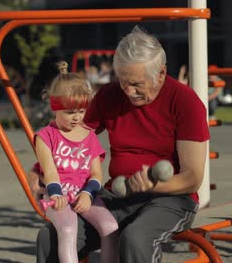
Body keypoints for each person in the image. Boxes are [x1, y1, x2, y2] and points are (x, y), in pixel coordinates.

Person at [31, 26, 210, 263]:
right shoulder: (110, 95)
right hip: (119, 194)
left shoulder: (185, 102)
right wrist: (37, 171)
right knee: (49, 238)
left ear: (161, 73)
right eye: (123, 82)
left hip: (172, 199)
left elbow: (192, 178)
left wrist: (154, 186)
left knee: (134, 238)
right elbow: (72, 136)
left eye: (136, 84)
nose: (128, 91)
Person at [31, 61, 118, 263]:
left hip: (84, 193)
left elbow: (96, 173)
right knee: (68, 228)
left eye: (81, 111)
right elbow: (50, 172)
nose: (76, 118)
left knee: (110, 227)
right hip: (58, 195)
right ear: (55, 107)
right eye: (70, 112)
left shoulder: (89, 135)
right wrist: (56, 193)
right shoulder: (45, 137)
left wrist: (88, 193)